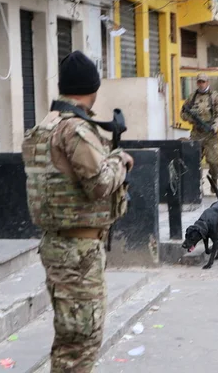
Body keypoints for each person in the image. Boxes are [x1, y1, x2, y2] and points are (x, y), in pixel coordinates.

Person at [21, 51, 133, 372]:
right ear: (92, 88)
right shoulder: (75, 130)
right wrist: (118, 160)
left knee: (71, 338)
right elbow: (99, 185)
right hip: (77, 252)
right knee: (81, 342)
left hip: (60, 245)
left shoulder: (45, 126)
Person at [181, 73, 218, 186]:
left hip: (210, 134)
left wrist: (215, 126)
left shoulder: (215, 97)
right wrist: (191, 118)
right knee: (194, 160)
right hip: (196, 133)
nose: (201, 84)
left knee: (213, 161)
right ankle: (197, 185)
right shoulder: (192, 97)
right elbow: (183, 113)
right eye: (199, 82)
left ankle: (214, 179)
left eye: (203, 82)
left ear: (207, 82)